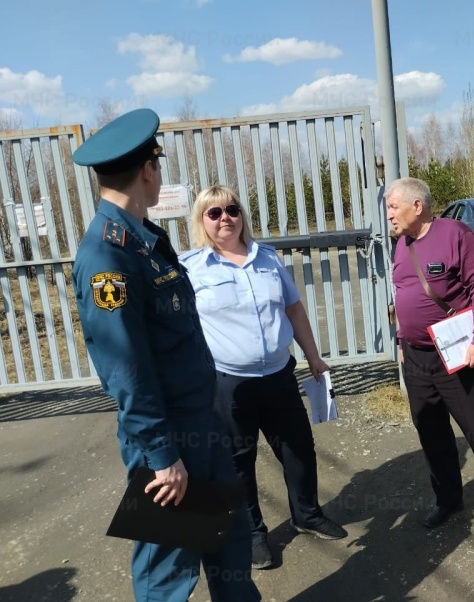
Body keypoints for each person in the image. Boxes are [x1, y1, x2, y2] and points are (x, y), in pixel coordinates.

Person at [71, 109, 261, 600]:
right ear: (147, 170)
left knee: (231, 547)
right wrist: (161, 455)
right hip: (168, 441)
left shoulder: (144, 241)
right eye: (158, 166)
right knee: (168, 574)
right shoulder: (107, 256)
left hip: (203, 423)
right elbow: (124, 368)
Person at [179, 185, 347, 570]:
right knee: (239, 461)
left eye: (232, 210)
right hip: (228, 384)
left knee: (298, 449)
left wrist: (314, 357)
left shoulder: (267, 259)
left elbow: (294, 310)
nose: (226, 218)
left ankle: (307, 514)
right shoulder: (191, 268)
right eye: (214, 212)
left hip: (278, 375)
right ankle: (253, 534)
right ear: (202, 220)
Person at [385, 177, 474, 536]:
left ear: (417, 205)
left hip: (457, 353)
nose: (388, 215)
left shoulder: (454, 233)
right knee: (431, 433)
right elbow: (402, 294)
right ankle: (447, 499)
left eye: (392, 206)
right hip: (416, 358)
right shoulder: (402, 245)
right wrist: (401, 339)